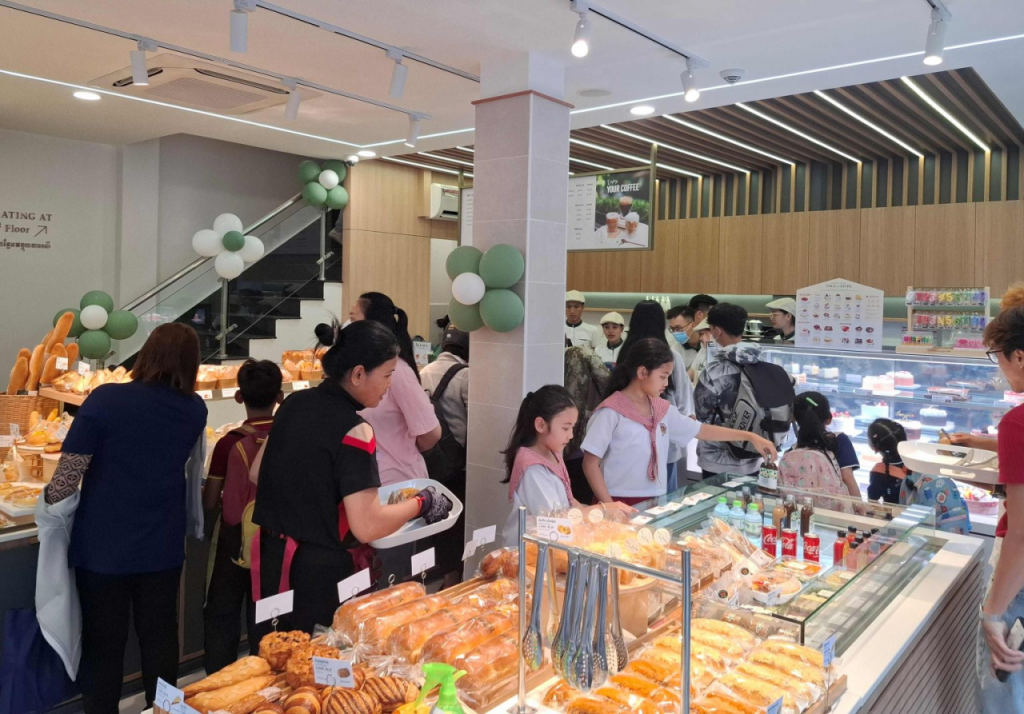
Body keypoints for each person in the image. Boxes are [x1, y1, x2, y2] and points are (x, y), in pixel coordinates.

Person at [43, 323, 207, 713]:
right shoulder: (194, 408)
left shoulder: (105, 400)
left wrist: (45, 503)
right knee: (161, 639)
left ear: (147, 352)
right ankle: (164, 709)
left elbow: (67, 478)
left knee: (103, 644)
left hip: (103, 546)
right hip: (162, 545)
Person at [252, 320, 454, 635]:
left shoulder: (293, 403)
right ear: (359, 374)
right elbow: (368, 524)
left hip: (272, 558)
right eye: (387, 375)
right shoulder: (356, 431)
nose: (389, 385)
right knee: (318, 667)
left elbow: (256, 473)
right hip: (320, 572)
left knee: (275, 658)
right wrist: (422, 502)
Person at [582, 338, 778, 505]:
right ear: (642, 373)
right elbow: (590, 464)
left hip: (655, 498)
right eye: (663, 377)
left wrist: (750, 436)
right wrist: (608, 506)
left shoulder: (661, 409)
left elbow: (700, 430)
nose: (666, 384)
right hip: (616, 499)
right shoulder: (611, 411)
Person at [201, 359, 282, 673]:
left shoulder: (227, 443)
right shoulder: (287, 437)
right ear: (280, 397)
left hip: (233, 540)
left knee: (222, 613)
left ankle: (219, 678)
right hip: (276, 537)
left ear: (238, 396)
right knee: (267, 615)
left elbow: (210, 501)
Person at [500, 385, 633, 545]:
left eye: (572, 428)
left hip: (552, 544)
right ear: (541, 425)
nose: (570, 435)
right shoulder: (532, 468)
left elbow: (569, 501)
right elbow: (553, 520)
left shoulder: (553, 453)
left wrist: (603, 511)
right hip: (529, 552)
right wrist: (602, 510)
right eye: (565, 428)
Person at [978, 305, 1024, 710]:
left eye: (998, 356)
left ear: (1020, 356)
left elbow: (1022, 534)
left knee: (1003, 688)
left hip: (1019, 586)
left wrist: (993, 611)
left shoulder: (1017, 423)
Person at [350, 292, 441, 484]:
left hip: (399, 483)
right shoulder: (359, 370)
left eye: (353, 320)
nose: (348, 329)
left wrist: (401, 447)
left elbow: (430, 433)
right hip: (365, 482)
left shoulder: (397, 372)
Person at [694, 303, 793, 479]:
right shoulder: (768, 366)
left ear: (716, 330)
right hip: (757, 455)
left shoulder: (714, 371)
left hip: (718, 461)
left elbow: (702, 416)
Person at [616, 300, 695, 492]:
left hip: (629, 442)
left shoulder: (624, 354)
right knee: (665, 501)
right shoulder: (671, 356)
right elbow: (685, 403)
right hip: (665, 439)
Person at [419, 324, 470, 588]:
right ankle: (456, 577)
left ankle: (443, 574)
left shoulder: (424, 371)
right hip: (459, 462)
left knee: (440, 518)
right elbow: (477, 422)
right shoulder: (466, 376)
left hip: (432, 460)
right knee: (458, 521)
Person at [778, 392, 861, 502]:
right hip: (834, 515)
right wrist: (861, 509)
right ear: (829, 418)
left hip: (800, 514)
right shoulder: (839, 440)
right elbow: (847, 478)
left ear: (793, 418)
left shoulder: (790, 452)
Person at [668, 305, 704, 372]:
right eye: (672, 329)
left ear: (693, 325)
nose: (675, 333)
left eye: (678, 328)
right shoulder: (675, 351)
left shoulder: (708, 342)